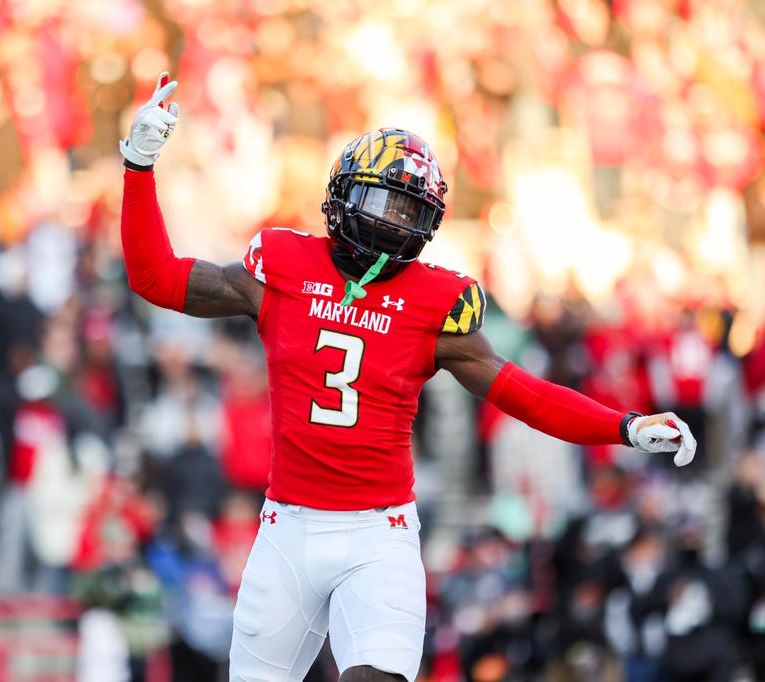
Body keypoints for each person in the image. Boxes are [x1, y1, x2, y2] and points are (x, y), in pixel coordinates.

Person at [118, 73, 699, 682]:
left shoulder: (435, 301)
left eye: (409, 210)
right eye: (384, 201)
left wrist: (624, 426)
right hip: (286, 527)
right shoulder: (282, 265)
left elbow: (523, 395)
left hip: (379, 533)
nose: (394, 221)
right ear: (343, 192)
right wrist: (139, 164)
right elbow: (154, 277)